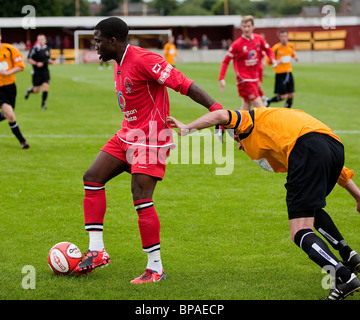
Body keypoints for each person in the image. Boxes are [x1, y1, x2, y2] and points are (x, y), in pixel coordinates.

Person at [74, 17, 224, 283]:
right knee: (92, 178)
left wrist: (218, 112)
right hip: (127, 135)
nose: (94, 46)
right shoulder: (118, 63)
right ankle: (97, 251)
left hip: (152, 139)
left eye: (97, 40)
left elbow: (183, 84)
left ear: (112, 41)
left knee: (140, 195)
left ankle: (156, 268)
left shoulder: (144, 59)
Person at [167, 107, 360, 300]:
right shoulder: (280, 125)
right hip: (333, 146)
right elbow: (335, 166)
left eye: (236, 140)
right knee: (311, 210)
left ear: (237, 131)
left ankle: (344, 277)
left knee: (299, 231)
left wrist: (187, 128)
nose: (240, 146)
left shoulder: (249, 120)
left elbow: (220, 115)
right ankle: (350, 256)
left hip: (306, 150)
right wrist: (358, 197)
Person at [219, 15, 276, 110]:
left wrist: (272, 59)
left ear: (253, 27)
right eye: (244, 26)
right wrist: (221, 78)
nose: (246, 29)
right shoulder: (236, 44)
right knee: (261, 108)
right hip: (244, 81)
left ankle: (224, 125)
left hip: (254, 79)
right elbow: (226, 61)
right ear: (241, 27)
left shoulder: (258, 39)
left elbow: (268, 50)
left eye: (248, 26)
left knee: (246, 110)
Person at [0, 31, 29, 149]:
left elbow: (20, 66)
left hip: (10, 87)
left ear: (0, 36)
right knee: (11, 115)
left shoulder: (10, 49)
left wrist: (7, 72)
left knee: (7, 114)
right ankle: (23, 141)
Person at [266, 29, 298, 108]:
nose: (284, 38)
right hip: (280, 74)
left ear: (288, 37)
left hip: (288, 72)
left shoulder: (290, 46)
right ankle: (269, 101)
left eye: (285, 36)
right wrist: (277, 62)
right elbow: (268, 61)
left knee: (291, 95)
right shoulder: (276, 48)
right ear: (279, 37)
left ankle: (286, 111)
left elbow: (293, 54)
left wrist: (295, 57)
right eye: (282, 36)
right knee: (283, 96)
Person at [25, 34, 54, 110]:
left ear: (45, 40)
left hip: (45, 71)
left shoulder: (47, 48)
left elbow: (48, 58)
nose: (41, 41)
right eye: (39, 39)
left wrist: (50, 61)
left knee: (45, 87)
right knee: (36, 90)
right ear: (37, 41)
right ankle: (29, 91)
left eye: (42, 39)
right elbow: (28, 59)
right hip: (37, 72)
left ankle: (43, 105)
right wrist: (36, 63)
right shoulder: (34, 49)